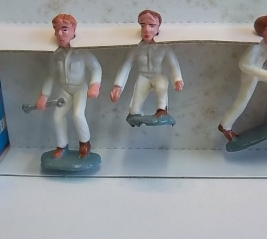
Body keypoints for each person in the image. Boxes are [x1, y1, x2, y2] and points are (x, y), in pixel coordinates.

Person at [36, 13, 101, 158]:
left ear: (73, 30)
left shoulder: (82, 52)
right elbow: (51, 75)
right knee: (57, 116)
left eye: (64, 29)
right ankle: (62, 146)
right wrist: (43, 96)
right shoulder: (56, 55)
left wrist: (95, 85)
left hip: (80, 89)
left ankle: (85, 143)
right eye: (56, 29)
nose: (59, 34)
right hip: (65, 90)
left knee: (78, 114)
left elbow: (96, 68)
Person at [110, 10, 183, 118]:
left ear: (158, 27)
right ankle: (136, 113)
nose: (146, 30)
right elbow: (126, 65)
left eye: (152, 25)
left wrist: (177, 80)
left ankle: (162, 109)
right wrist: (118, 86)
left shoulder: (164, 48)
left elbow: (173, 65)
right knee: (134, 110)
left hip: (157, 75)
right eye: (142, 25)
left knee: (162, 87)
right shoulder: (136, 49)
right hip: (143, 76)